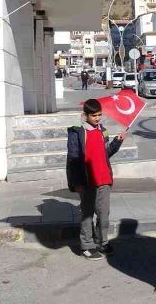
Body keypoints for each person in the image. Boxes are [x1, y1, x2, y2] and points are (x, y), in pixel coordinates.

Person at [66, 99, 125, 260]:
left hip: (104, 179)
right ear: (85, 115)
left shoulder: (103, 131)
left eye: (99, 115)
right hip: (87, 181)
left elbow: (106, 153)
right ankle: (87, 245)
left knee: (104, 214)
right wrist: (77, 182)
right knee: (87, 214)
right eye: (94, 115)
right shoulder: (77, 133)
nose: (97, 118)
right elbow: (73, 159)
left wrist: (117, 141)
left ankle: (102, 243)